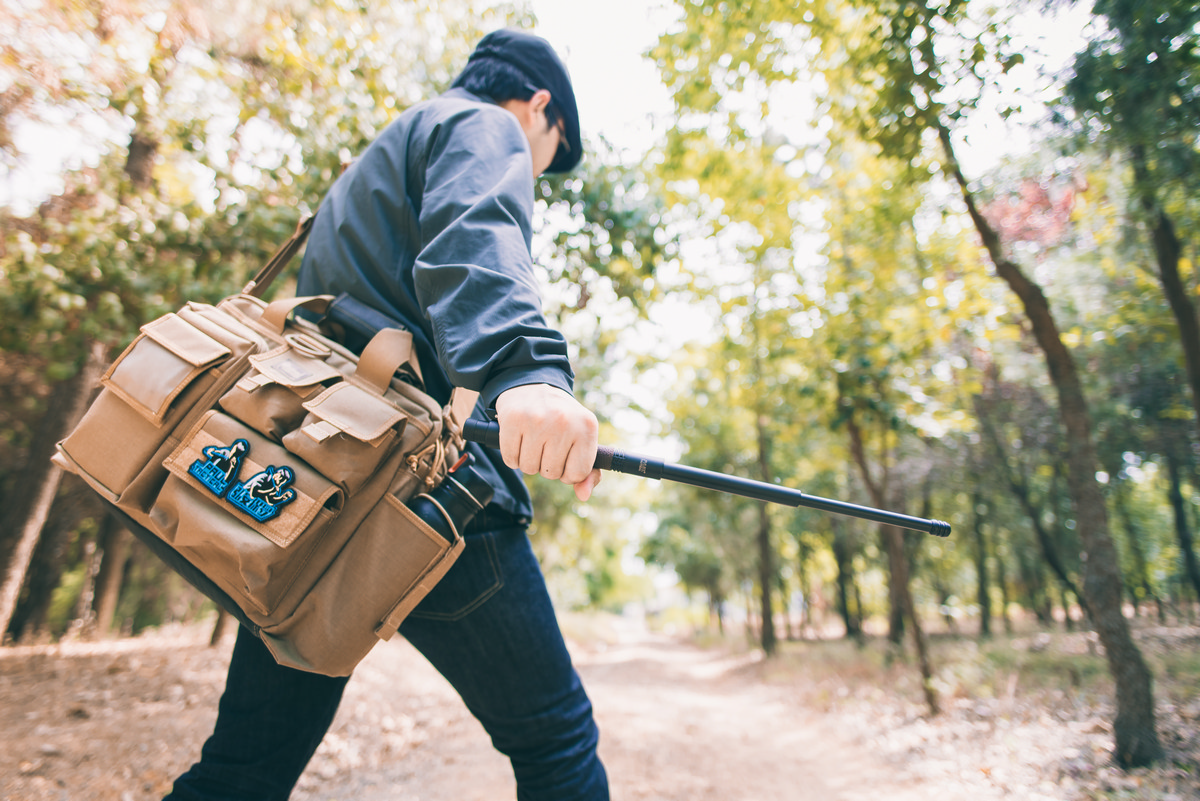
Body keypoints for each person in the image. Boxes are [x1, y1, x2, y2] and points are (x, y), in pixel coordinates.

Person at [163, 28, 609, 801]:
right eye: (552, 147)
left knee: (243, 770)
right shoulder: (483, 125)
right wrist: (524, 368)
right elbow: (475, 234)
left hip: (312, 497)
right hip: (425, 502)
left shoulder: (380, 159)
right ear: (541, 107)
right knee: (556, 738)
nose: (540, 165)